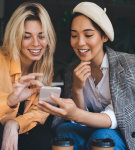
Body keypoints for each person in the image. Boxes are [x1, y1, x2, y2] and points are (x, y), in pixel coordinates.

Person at [38, 2, 135, 150]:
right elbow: (81, 121)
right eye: (74, 35)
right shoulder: (72, 70)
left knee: (102, 137)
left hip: (122, 132)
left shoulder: (128, 65)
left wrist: (76, 114)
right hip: (91, 129)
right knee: (64, 132)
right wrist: (77, 89)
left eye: (88, 35)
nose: (80, 42)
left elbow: (117, 117)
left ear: (104, 36)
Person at [0, 2, 56, 150]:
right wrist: (9, 101)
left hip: (22, 134)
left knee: (45, 136)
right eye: (27, 36)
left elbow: (41, 112)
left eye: (41, 36)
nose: (36, 43)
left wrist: (15, 123)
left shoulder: (46, 68)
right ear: (15, 37)